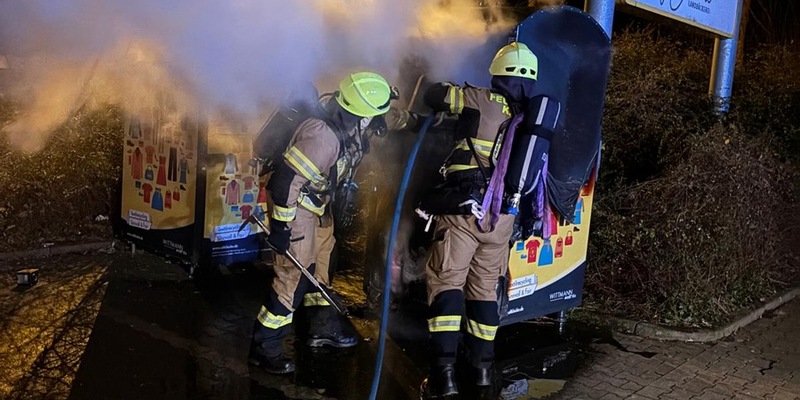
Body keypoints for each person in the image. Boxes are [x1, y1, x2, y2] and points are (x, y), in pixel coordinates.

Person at [416, 42, 562, 398]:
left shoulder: (483, 99)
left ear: (498, 73)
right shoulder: (528, 114)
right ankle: (482, 373)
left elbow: (434, 95)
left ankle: (444, 377)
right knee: (484, 292)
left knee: (447, 284)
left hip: (465, 211)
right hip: (502, 219)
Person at [249, 71, 395, 374]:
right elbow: (284, 183)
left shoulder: (350, 118)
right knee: (294, 277)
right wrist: (281, 229)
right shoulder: (322, 138)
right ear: (362, 113)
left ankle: (320, 329)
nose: (379, 119)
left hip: (318, 204)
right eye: (377, 114)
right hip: (295, 205)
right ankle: (265, 348)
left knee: (321, 266)